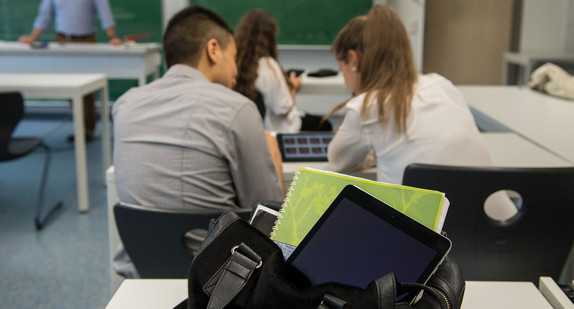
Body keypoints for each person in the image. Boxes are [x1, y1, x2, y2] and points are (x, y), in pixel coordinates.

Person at [112, 6, 284, 277]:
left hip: (144, 271)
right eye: (234, 57)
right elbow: (269, 219)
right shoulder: (238, 109)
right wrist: (273, 161)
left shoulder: (124, 105)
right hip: (221, 280)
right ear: (213, 49)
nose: (237, 71)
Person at [326, 6, 517, 221]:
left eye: (342, 69)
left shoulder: (366, 106)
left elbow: (339, 160)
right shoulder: (442, 84)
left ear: (353, 60)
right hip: (501, 233)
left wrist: (373, 153)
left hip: (427, 243)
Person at [19, 0, 122, 142]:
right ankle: (80, 129)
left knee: (88, 86)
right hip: (62, 40)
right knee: (70, 86)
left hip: (86, 41)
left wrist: (112, 37)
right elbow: (44, 16)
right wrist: (32, 38)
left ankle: (88, 129)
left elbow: (105, 13)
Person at [234, 9, 332, 133]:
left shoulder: (235, 62)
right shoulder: (269, 66)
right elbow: (283, 111)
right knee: (325, 124)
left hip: (250, 131)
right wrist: (293, 88)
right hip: (277, 130)